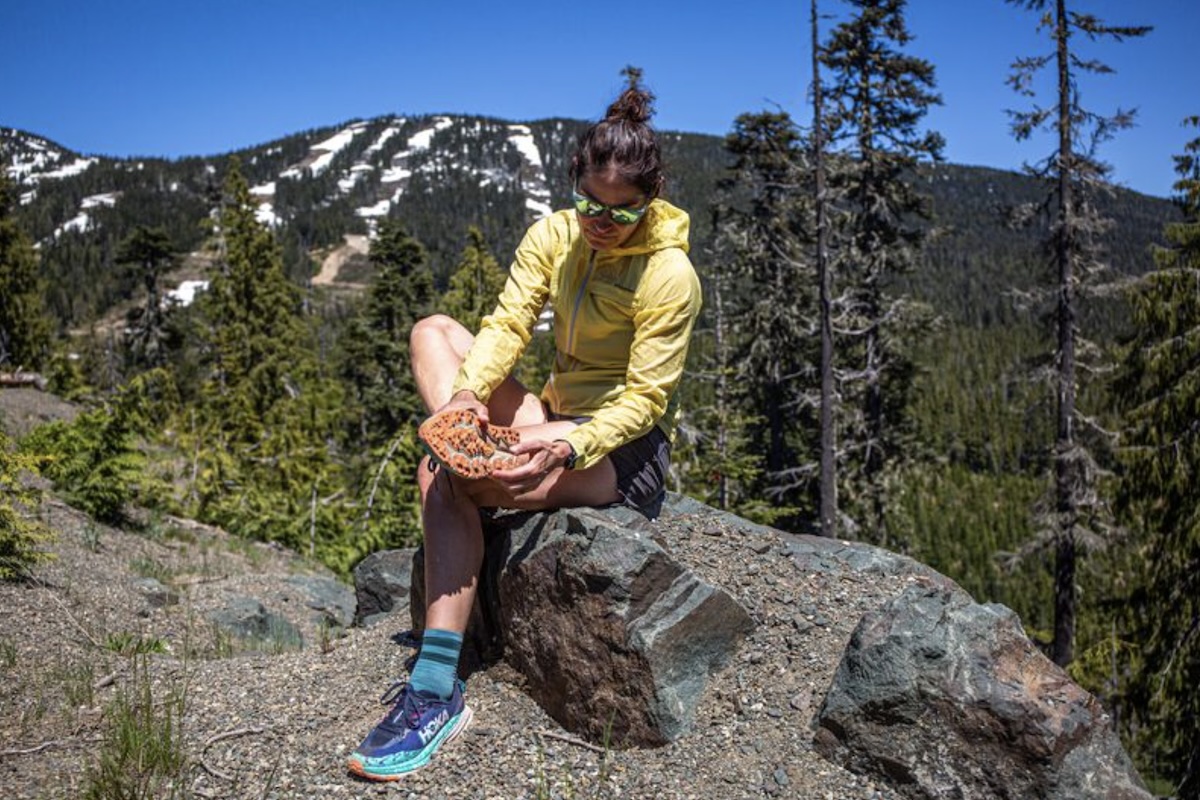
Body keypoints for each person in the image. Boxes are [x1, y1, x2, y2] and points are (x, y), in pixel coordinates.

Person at [347, 83, 702, 781]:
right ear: (574, 185)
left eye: (621, 213)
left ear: (650, 200)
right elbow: (509, 323)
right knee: (434, 334)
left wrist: (565, 445)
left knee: (441, 478)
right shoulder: (555, 235)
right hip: (554, 409)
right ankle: (472, 451)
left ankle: (434, 688)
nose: (601, 223)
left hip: (618, 447)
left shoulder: (670, 274)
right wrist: (470, 398)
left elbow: (645, 400)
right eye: (588, 205)